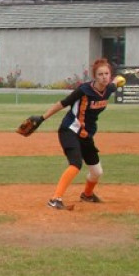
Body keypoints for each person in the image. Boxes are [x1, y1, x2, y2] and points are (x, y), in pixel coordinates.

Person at [31, 58, 122, 210]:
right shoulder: (84, 90)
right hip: (70, 130)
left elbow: (116, 82)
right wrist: (42, 118)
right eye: (100, 74)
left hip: (86, 135)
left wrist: (118, 80)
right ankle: (55, 199)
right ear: (95, 76)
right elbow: (63, 103)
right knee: (75, 164)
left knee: (97, 171)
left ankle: (87, 195)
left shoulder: (109, 88)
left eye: (107, 73)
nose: (104, 77)